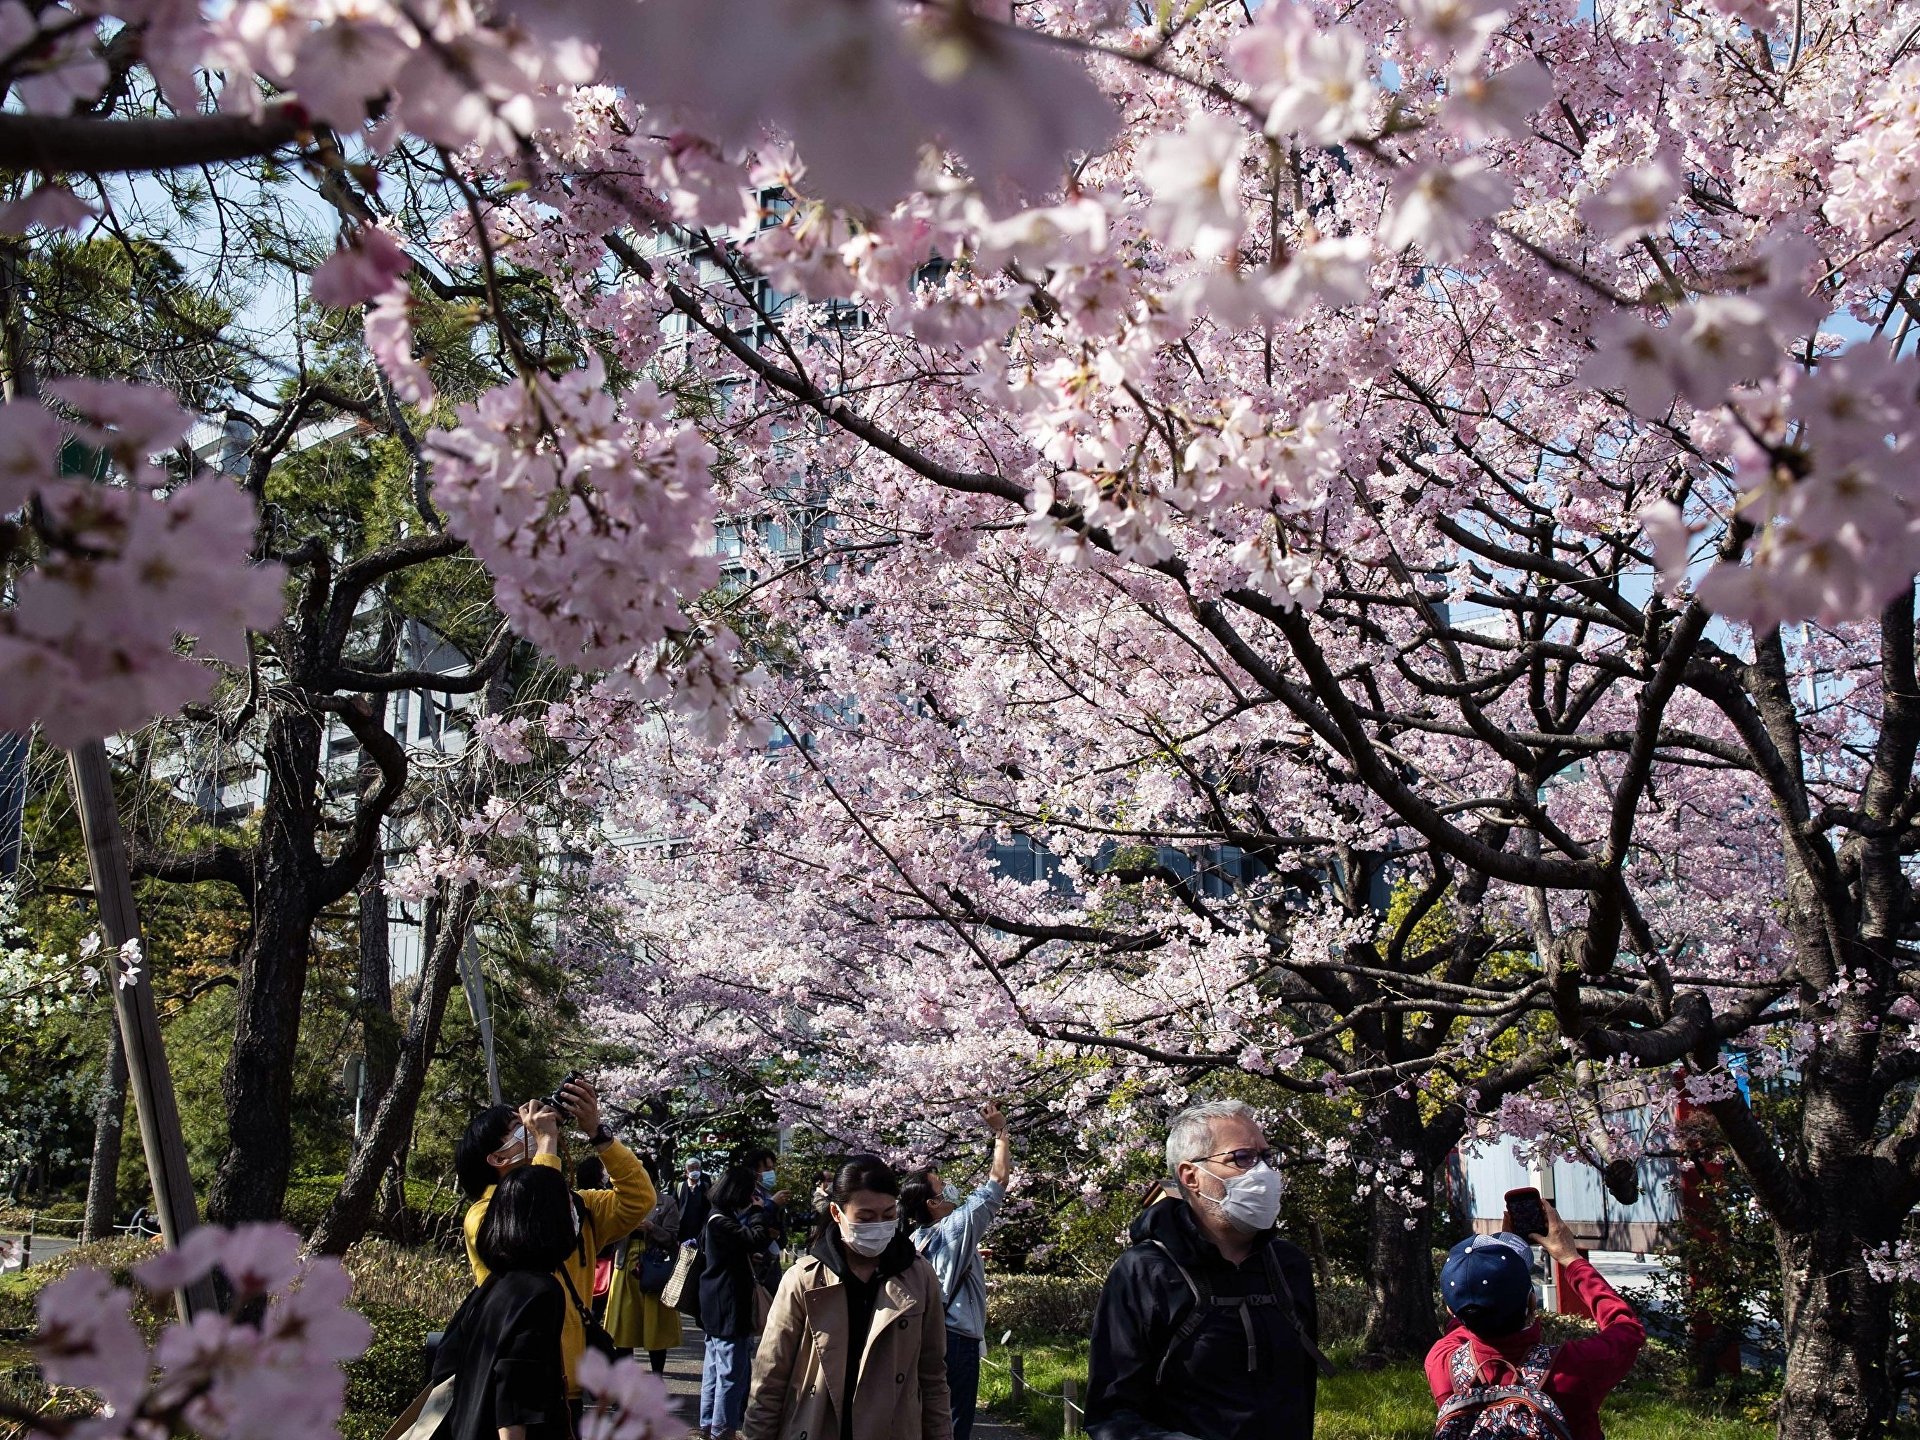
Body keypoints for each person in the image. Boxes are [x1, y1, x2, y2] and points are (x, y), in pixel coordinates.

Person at [1084, 1099, 1326, 1440]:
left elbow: (1302, 1392)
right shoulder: (1144, 1272)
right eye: (1243, 1158)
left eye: (1267, 1157)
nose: (1264, 1172)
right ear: (1191, 1176)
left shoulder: (1288, 1265)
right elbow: (1110, 1415)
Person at [456, 1078, 656, 1397]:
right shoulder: (482, 1214)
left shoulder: (578, 1206)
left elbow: (639, 1199)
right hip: (514, 1386)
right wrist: (546, 1144)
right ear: (497, 1158)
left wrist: (597, 1131)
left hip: (569, 1387)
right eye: (516, 1126)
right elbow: (535, 1237)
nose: (532, 1126)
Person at [743, 1153, 953, 1440]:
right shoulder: (804, 1279)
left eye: (889, 1215)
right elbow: (770, 1376)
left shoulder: (918, 1276)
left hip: (893, 1428)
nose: (878, 1225)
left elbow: (933, 1376)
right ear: (836, 1213)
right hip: (818, 1425)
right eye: (865, 1217)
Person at [1427, 1199, 1645, 1440]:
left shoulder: (1442, 1363)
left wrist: (1497, 1260)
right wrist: (1571, 1260)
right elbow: (1627, 1330)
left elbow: (1463, 1323)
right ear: (1532, 1302)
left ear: (1450, 1310)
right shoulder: (1572, 1368)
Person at [432, 1165, 575, 1440]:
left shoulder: (491, 1286)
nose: (573, 1214)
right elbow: (515, 1389)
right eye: (567, 1206)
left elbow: (445, 1362)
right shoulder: (542, 1292)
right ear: (549, 1218)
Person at [901, 1101, 1013, 1440]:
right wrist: (1001, 1132)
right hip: (957, 1339)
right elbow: (997, 1182)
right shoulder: (953, 1227)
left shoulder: (916, 1238)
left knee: (928, 1419)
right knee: (953, 1423)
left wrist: (974, 1256)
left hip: (924, 1335)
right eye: (941, 1185)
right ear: (933, 1204)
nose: (949, 1186)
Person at [699, 1164, 774, 1440]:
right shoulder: (721, 1221)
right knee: (731, 1372)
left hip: (715, 1302)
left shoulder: (716, 1217)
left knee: (714, 1368)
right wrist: (758, 1212)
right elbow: (755, 1239)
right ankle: (722, 1429)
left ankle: (710, 1424)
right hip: (728, 1303)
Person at [607, 1157, 685, 1375]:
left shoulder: (666, 1202)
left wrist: (651, 1228)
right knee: (623, 1328)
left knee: (655, 1327)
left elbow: (672, 1238)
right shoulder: (619, 1199)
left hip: (655, 1268)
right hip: (625, 1264)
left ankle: (657, 1376)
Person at [677, 1156, 712, 1245]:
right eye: (691, 1169)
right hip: (683, 1230)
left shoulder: (706, 1186)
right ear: (686, 1172)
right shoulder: (680, 1187)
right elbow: (674, 1207)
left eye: (697, 1168)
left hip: (701, 1229)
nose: (694, 1171)